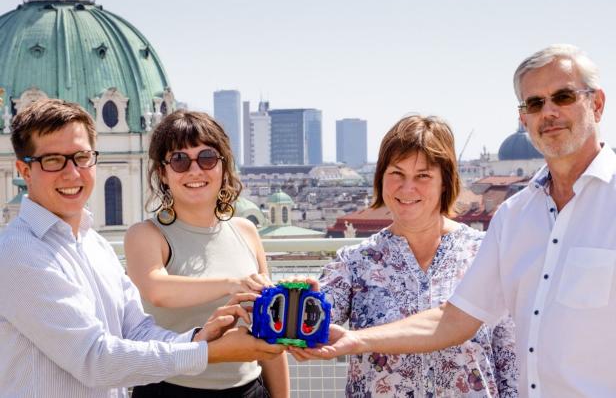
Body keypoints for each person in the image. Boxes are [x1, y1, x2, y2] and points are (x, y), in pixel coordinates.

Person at [292, 44, 616, 397]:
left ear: (597, 104)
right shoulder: (515, 217)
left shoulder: (481, 240)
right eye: (535, 103)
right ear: (524, 119)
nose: (549, 112)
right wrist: (350, 338)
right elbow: (453, 320)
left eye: (563, 96)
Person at [0, 99, 285, 398]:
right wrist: (207, 353)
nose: (72, 173)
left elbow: (135, 331)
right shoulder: (19, 253)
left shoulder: (94, 245)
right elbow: (95, 360)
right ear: (24, 170)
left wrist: (200, 338)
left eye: (81, 157)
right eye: (53, 160)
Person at [305, 115, 517, 397]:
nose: (407, 188)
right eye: (396, 174)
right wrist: (298, 299)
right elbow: (314, 315)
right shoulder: (355, 262)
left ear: (445, 182)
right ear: (381, 178)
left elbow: (510, 359)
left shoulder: (483, 253)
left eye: (423, 176)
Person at [124, 110, 289, 397]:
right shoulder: (146, 235)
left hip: (249, 389)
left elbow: (270, 332)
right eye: (179, 160)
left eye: (207, 158)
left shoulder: (246, 231)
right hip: (171, 389)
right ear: (162, 173)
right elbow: (157, 289)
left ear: (223, 167)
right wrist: (232, 284)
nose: (195, 170)